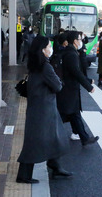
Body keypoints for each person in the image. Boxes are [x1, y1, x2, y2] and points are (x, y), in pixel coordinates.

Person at [16, 35, 71, 184]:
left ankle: (56, 165)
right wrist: (59, 80)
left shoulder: (35, 65)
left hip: (40, 108)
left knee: (54, 137)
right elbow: (58, 86)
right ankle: (23, 175)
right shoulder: (46, 67)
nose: (51, 49)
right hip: (43, 110)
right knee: (34, 141)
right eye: (49, 47)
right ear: (43, 50)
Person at [56, 31, 99, 145]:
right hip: (69, 89)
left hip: (69, 88)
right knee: (63, 114)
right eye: (80, 39)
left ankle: (84, 138)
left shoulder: (71, 52)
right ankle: (49, 136)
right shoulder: (71, 54)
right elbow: (76, 72)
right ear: (75, 41)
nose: (81, 42)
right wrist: (89, 87)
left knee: (74, 114)